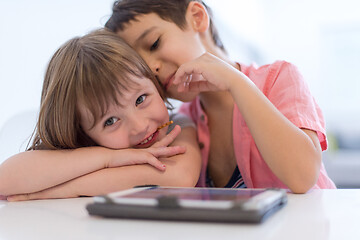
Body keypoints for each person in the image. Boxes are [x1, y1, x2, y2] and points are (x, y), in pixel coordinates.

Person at [105, 0, 336, 193]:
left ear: (197, 17)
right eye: (141, 65)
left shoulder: (280, 78)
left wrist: (235, 81)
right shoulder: (184, 122)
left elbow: (303, 176)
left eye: (154, 43)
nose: (151, 68)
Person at [0, 29, 201, 201]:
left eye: (140, 99)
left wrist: (68, 188)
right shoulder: (91, 149)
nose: (139, 126)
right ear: (82, 133)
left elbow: (180, 177)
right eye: (110, 121)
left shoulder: (177, 125)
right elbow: (5, 180)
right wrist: (109, 158)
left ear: (155, 84)